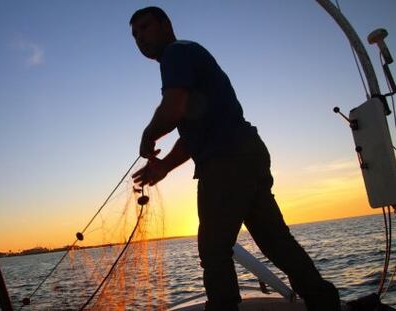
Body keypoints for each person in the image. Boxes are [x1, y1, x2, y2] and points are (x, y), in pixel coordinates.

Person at [130, 6, 341, 311]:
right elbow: (193, 135)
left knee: (214, 250)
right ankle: (325, 302)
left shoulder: (176, 53)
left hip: (226, 162)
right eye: (135, 35)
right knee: (276, 242)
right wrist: (163, 166)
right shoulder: (188, 57)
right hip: (248, 155)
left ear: (166, 25)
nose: (140, 38)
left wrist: (148, 134)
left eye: (145, 28)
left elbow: (172, 107)